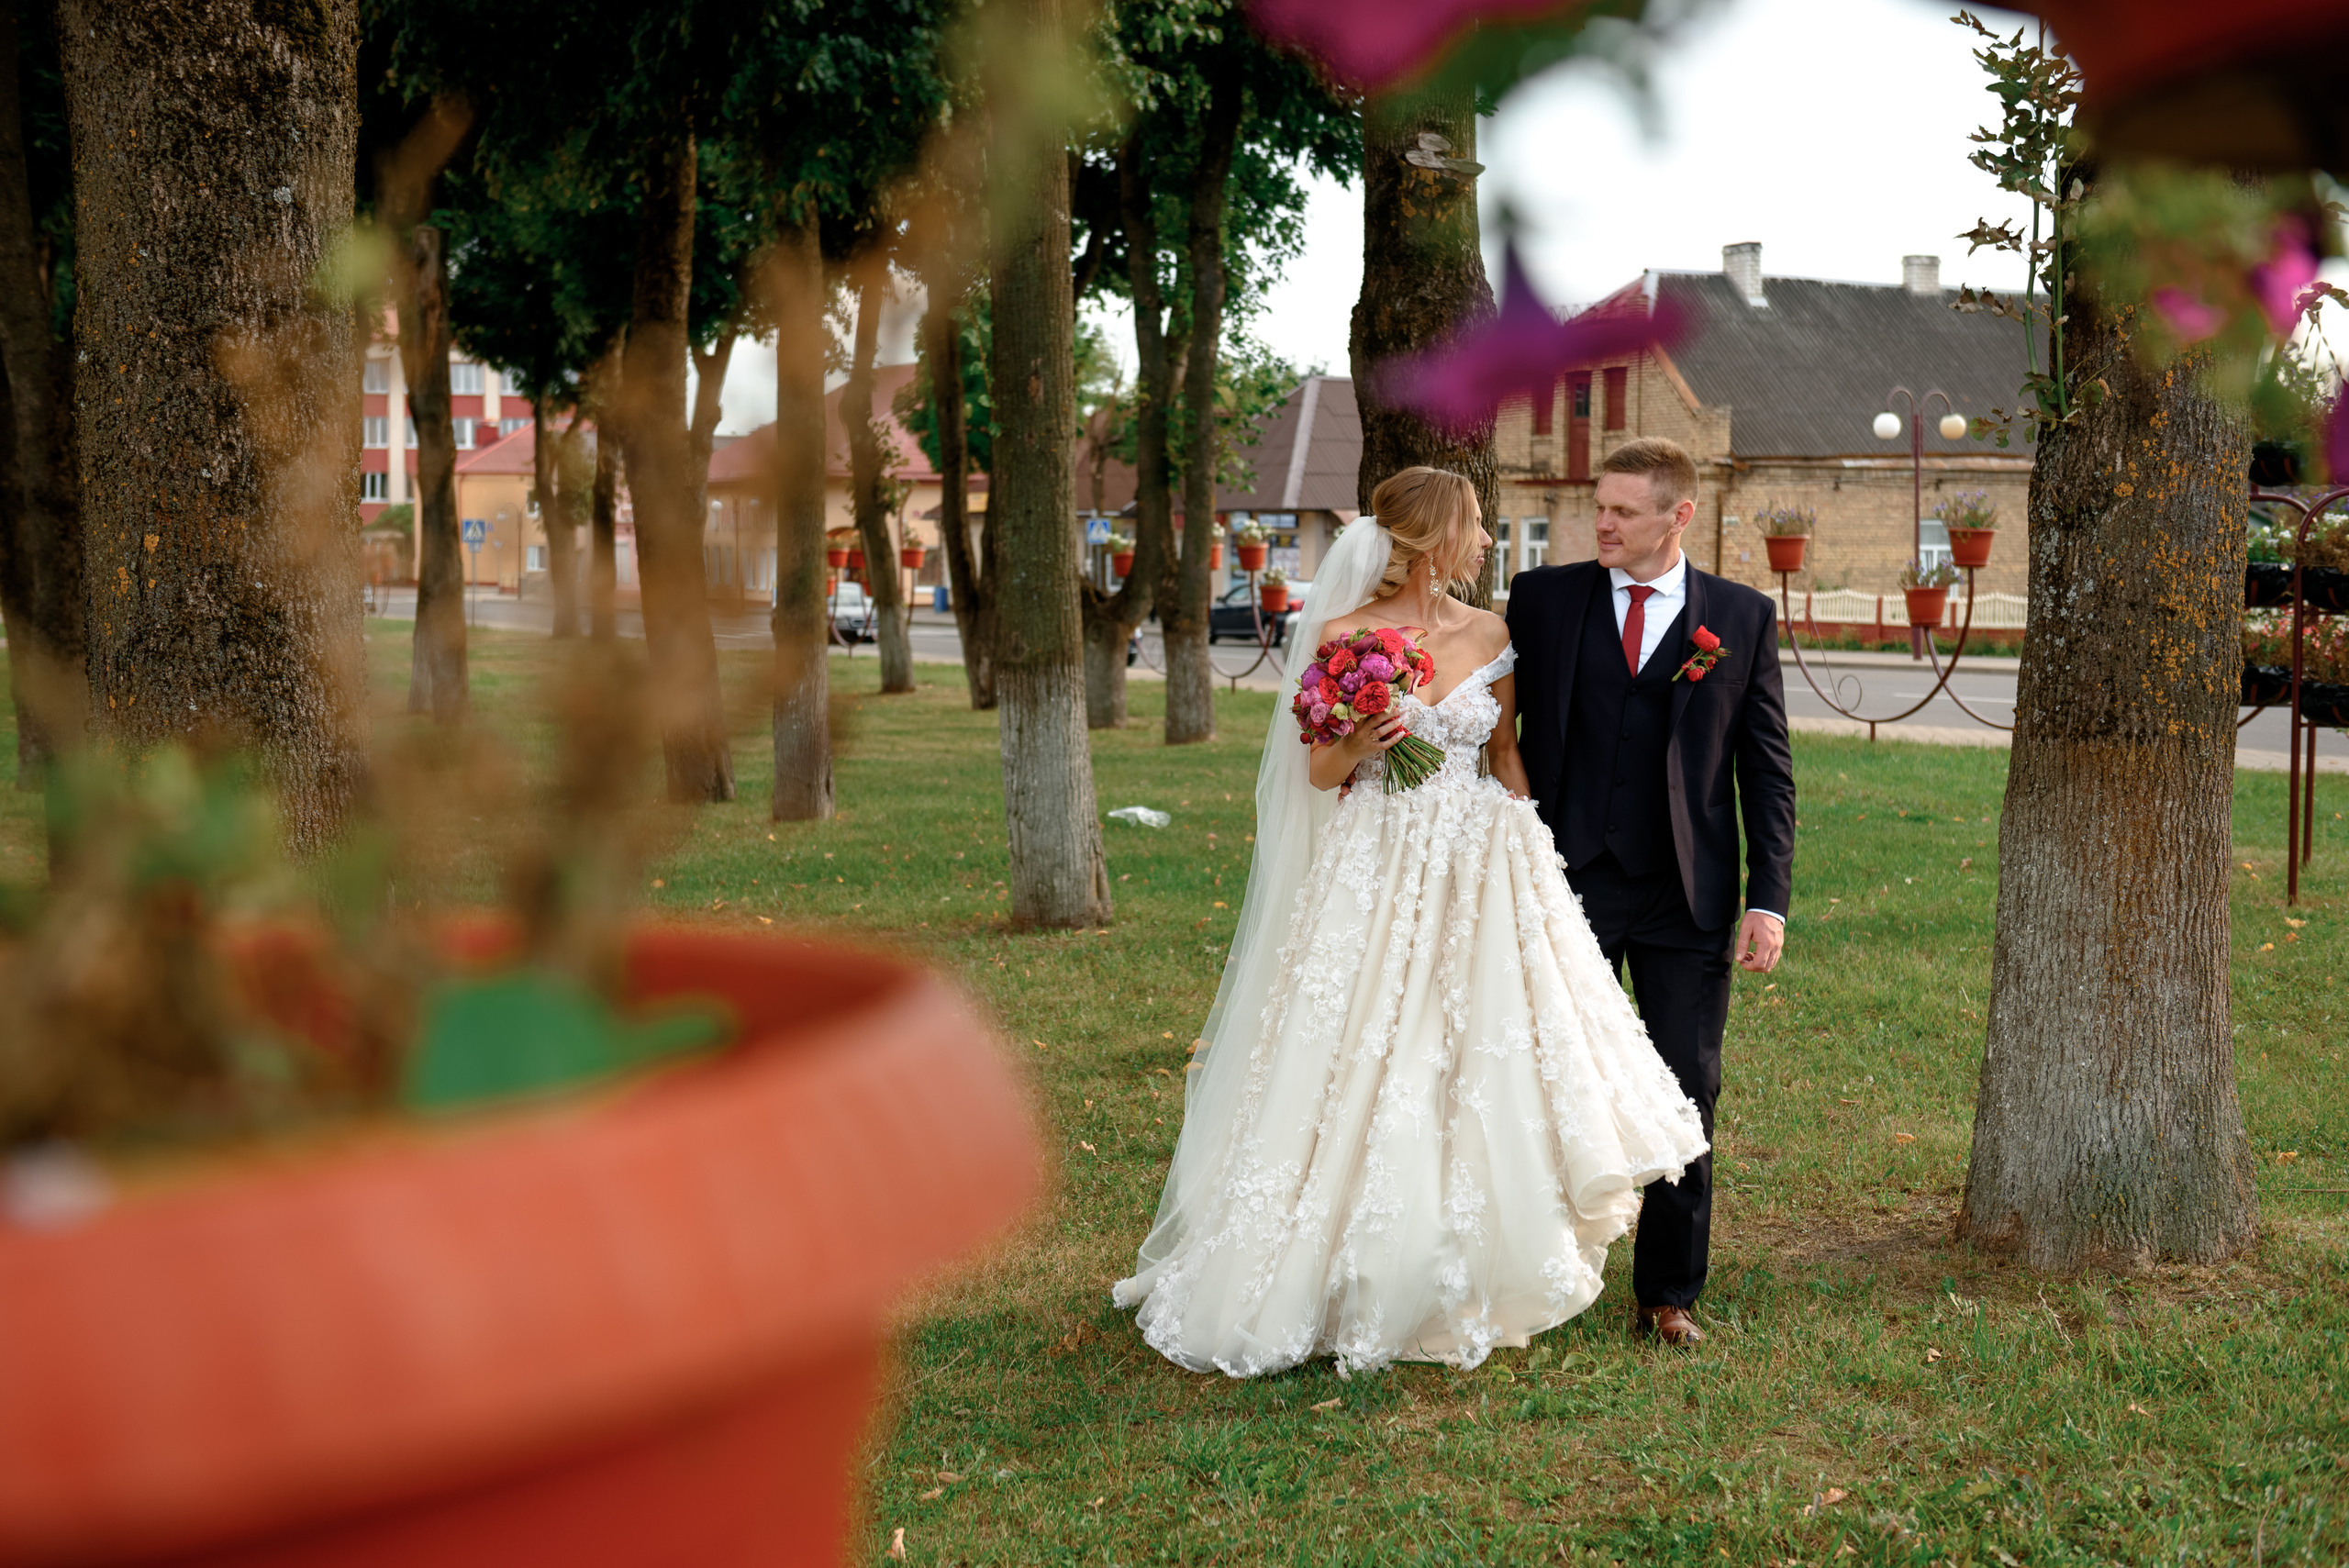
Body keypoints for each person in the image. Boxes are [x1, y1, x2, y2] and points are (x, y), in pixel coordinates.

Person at [1113, 467, 1709, 1378]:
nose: (1482, 544)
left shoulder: (1493, 631)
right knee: (1368, 1047)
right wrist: (1361, 741)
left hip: (1478, 859)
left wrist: (1535, 857)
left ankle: (1461, 1258)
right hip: (1378, 860)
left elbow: (1504, 750)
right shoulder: (1348, 635)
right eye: (1473, 528)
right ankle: (1340, 1266)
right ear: (1436, 539)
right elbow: (1318, 774)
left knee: (1474, 1051)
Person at [1504, 436, 1796, 1349]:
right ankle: (1538, 1271)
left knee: (1683, 1088)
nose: (1604, 523)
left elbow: (1766, 769)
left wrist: (1767, 897)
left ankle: (1667, 1293)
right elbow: (1485, 709)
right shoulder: (1542, 600)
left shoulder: (1740, 618)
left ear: (1680, 514)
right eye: (1599, 507)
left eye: (1624, 510)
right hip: (1565, 881)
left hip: (1688, 894)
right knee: (1546, 1079)